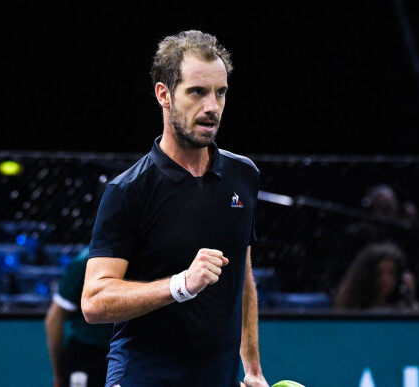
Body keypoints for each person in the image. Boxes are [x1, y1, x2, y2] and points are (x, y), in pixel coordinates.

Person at [81, 30, 269, 387]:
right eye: (197, 92)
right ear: (163, 95)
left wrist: (253, 369)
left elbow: (241, 279)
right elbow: (94, 300)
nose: (212, 107)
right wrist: (181, 285)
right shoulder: (128, 190)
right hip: (141, 377)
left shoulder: (243, 176)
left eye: (220, 92)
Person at [45, 246, 113, 387]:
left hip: (129, 357)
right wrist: (59, 375)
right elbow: (54, 320)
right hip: (88, 358)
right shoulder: (85, 262)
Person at [333, 242, 419, 311]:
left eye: (392, 273)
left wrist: (410, 297)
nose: (386, 279)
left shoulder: (402, 309)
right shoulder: (352, 309)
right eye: (379, 273)